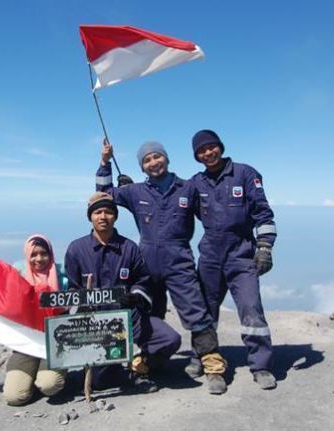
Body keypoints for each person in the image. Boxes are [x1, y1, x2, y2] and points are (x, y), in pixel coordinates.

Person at [97, 140, 227, 394]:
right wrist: (105, 162)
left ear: (166, 159)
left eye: (157, 157)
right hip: (145, 263)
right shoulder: (134, 192)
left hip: (179, 260)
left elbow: (212, 218)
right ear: (142, 167)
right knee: (149, 315)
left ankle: (213, 368)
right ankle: (148, 364)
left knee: (196, 313)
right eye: (147, 160)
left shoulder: (187, 188)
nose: (153, 162)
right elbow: (104, 194)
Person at [64, 192, 181, 393]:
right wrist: (82, 305)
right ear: (90, 217)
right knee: (99, 382)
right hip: (97, 324)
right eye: (98, 212)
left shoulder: (129, 248)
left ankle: (141, 364)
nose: (103, 217)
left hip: (129, 318)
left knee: (170, 339)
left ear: (115, 216)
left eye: (108, 212)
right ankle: (122, 370)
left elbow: (142, 280)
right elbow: (72, 288)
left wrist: (136, 296)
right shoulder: (76, 249)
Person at [190, 129, 278, 390]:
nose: (208, 153)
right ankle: (202, 358)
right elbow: (172, 202)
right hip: (210, 258)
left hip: (242, 257)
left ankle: (260, 366)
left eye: (211, 147)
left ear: (220, 147)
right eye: (201, 151)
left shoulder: (245, 174)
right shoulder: (196, 183)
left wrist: (264, 247)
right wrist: (130, 188)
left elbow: (264, 214)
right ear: (197, 156)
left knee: (252, 309)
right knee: (204, 312)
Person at [2, 235, 68, 405]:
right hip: (27, 344)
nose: (39, 259)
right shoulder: (19, 278)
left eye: (43, 253)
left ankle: (43, 378)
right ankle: (30, 379)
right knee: (14, 397)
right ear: (27, 256)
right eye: (34, 254)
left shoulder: (63, 279)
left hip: (55, 343)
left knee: (49, 385)